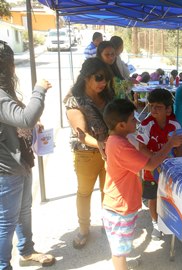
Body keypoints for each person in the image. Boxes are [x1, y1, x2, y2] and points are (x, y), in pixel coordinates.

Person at [102, 99, 182, 270]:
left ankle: (122, 264)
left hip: (121, 202)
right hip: (119, 206)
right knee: (119, 248)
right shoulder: (121, 146)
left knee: (122, 244)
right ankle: (120, 266)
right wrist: (170, 143)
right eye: (133, 119)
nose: (137, 122)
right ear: (121, 125)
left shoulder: (116, 140)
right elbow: (151, 164)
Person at [0, 40, 55, 269]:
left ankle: (27, 250)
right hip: (7, 168)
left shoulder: (5, 91)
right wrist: (39, 89)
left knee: (23, 211)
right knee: (6, 221)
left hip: (20, 160)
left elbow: (21, 119)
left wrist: (32, 125)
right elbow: (25, 118)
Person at [64, 57, 114, 249]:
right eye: (99, 78)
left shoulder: (108, 96)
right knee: (84, 193)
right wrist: (100, 144)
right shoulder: (74, 100)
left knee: (107, 191)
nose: (103, 83)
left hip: (110, 152)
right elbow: (82, 135)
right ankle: (84, 229)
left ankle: (107, 224)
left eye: (106, 79)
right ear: (86, 77)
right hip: (87, 154)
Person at [136, 88, 182, 240]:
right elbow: (141, 148)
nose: (153, 110)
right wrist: (157, 160)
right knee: (153, 197)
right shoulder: (146, 124)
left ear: (168, 109)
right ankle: (155, 223)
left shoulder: (175, 125)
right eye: (151, 106)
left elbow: (179, 147)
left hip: (170, 168)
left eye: (158, 107)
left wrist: (179, 163)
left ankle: (170, 220)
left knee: (170, 195)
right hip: (151, 168)